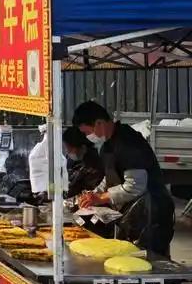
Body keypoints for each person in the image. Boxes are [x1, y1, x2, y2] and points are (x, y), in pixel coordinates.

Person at [74, 101, 175, 256]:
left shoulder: (128, 143)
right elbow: (109, 177)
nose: (88, 137)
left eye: (88, 132)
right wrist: (94, 193)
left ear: (99, 123)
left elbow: (135, 186)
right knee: (128, 257)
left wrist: (101, 198)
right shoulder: (107, 146)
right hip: (132, 215)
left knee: (149, 260)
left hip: (151, 212)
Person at [63, 125, 105, 199]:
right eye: (66, 147)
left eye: (70, 148)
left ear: (82, 147)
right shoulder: (73, 160)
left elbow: (81, 191)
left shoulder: (93, 166)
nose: (67, 151)